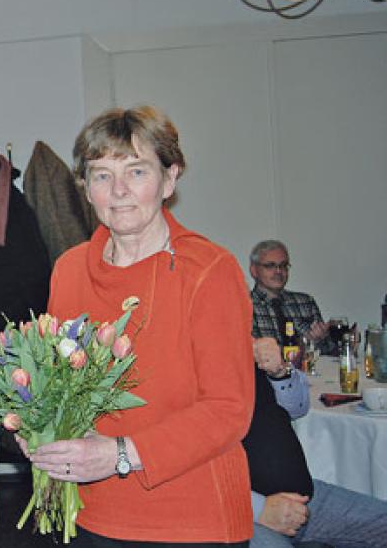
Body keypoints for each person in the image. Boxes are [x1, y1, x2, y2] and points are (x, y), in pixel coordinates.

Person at [34, 105, 256, 545]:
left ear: (170, 179)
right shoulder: (69, 270)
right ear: (84, 187)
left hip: (192, 520)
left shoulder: (209, 270)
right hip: (92, 517)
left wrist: (119, 455)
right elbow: (56, 386)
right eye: (101, 175)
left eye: (137, 172)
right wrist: (39, 431)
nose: (118, 191)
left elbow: (229, 410)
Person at [247, 338, 387, 547]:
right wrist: (259, 510)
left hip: (306, 498)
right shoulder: (187, 363)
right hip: (242, 514)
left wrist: (279, 372)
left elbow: (296, 408)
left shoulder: (240, 342)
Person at [249, 240, 334, 354]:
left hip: (305, 371)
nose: (278, 271)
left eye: (283, 265)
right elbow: (245, 355)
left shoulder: (305, 302)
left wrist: (320, 339)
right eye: (270, 266)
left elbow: (329, 353)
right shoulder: (243, 306)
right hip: (264, 371)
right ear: (254, 271)